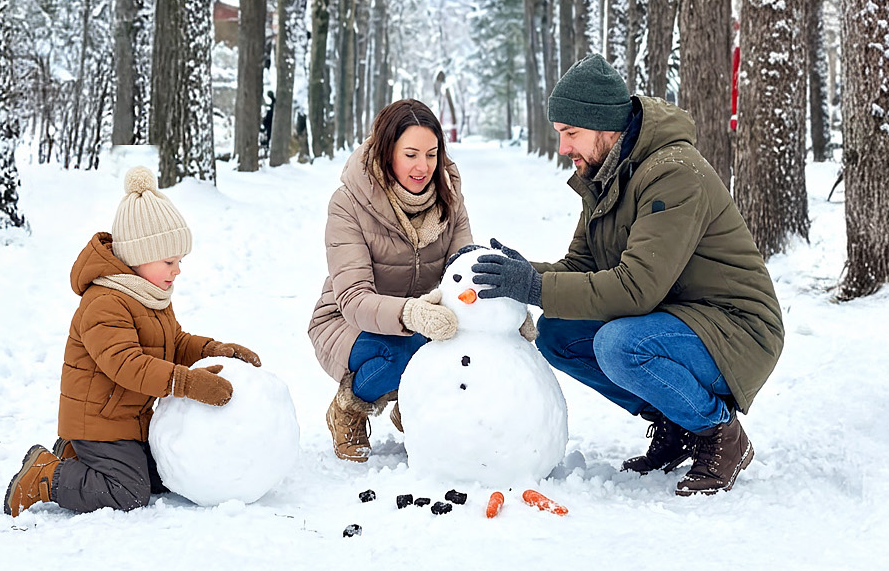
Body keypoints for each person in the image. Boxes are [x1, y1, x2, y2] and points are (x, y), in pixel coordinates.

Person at [472, 54, 784, 496]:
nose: (564, 149)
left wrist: (536, 286)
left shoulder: (673, 173)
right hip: (679, 320)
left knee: (619, 345)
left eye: (570, 134)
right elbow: (581, 268)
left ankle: (720, 434)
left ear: (604, 127)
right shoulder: (606, 171)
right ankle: (675, 423)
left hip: (736, 329)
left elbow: (635, 290)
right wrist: (521, 274)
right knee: (558, 332)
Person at [4, 166, 261, 515]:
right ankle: (47, 475)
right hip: (99, 421)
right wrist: (186, 382)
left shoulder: (147, 294)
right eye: (169, 261)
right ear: (140, 256)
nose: (178, 270)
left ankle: (74, 456)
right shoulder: (105, 302)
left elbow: (174, 341)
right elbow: (127, 365)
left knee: (165, 473)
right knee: (129, 492)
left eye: (180, 261)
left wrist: (215, 351)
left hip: (129, 421)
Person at [309, 99, 474, 460]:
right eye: (411, 154)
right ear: (387, 152)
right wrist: (411, 315)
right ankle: (348, 408)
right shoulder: (348, 203)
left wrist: (501, 309)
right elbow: (352, 298)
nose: (423, 167)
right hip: (347, 321)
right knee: (400, 354)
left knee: (465, 348)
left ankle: (414, 403)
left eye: (432, 154)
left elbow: (465, 272)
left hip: (425, 319)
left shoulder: (451, 200)